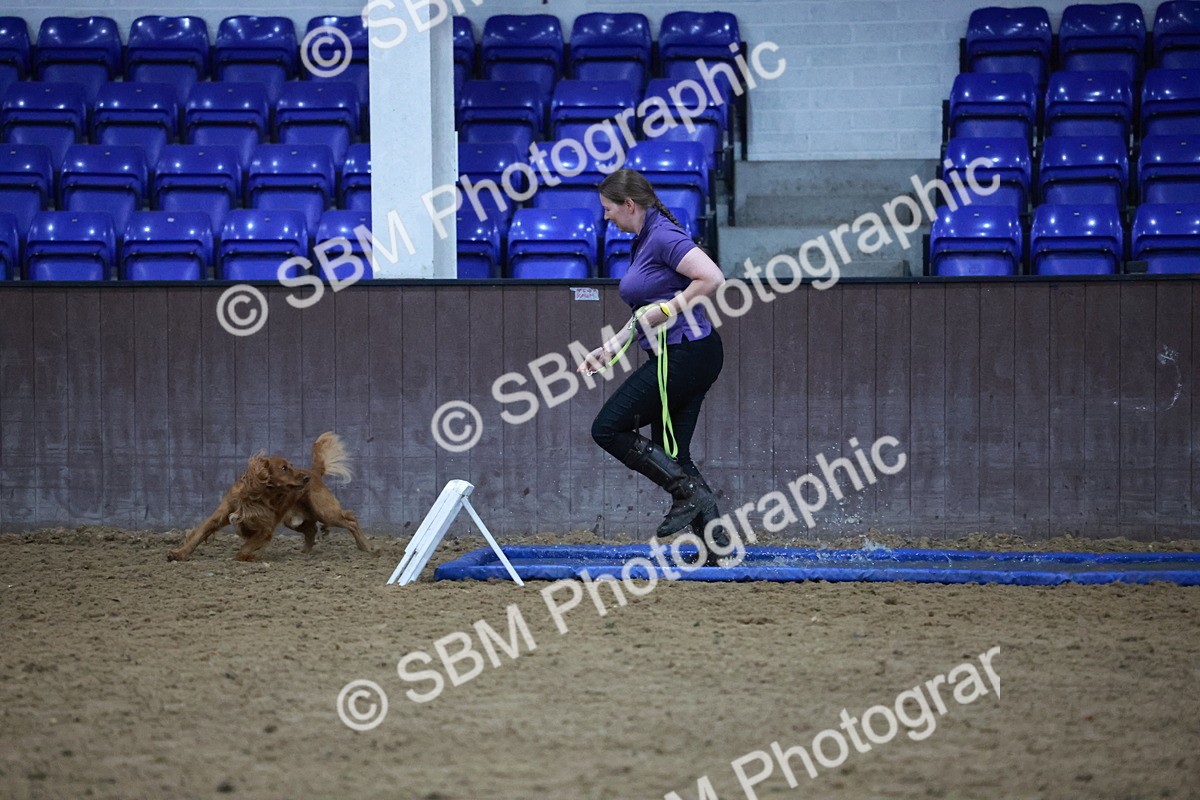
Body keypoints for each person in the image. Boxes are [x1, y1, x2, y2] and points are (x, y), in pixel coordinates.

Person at [576, 168, 729, 565]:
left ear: (629, 205)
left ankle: (688, 494)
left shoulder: (661, 236)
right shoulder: (646, 238)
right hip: (689, 353)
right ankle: (719, 550)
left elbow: (711, 277)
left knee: (607, 427)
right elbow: (647, 309)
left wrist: (670, 308)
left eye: (609, 209)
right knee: (672, 454)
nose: (605, 216)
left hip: (686, 353)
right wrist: (611, 347)